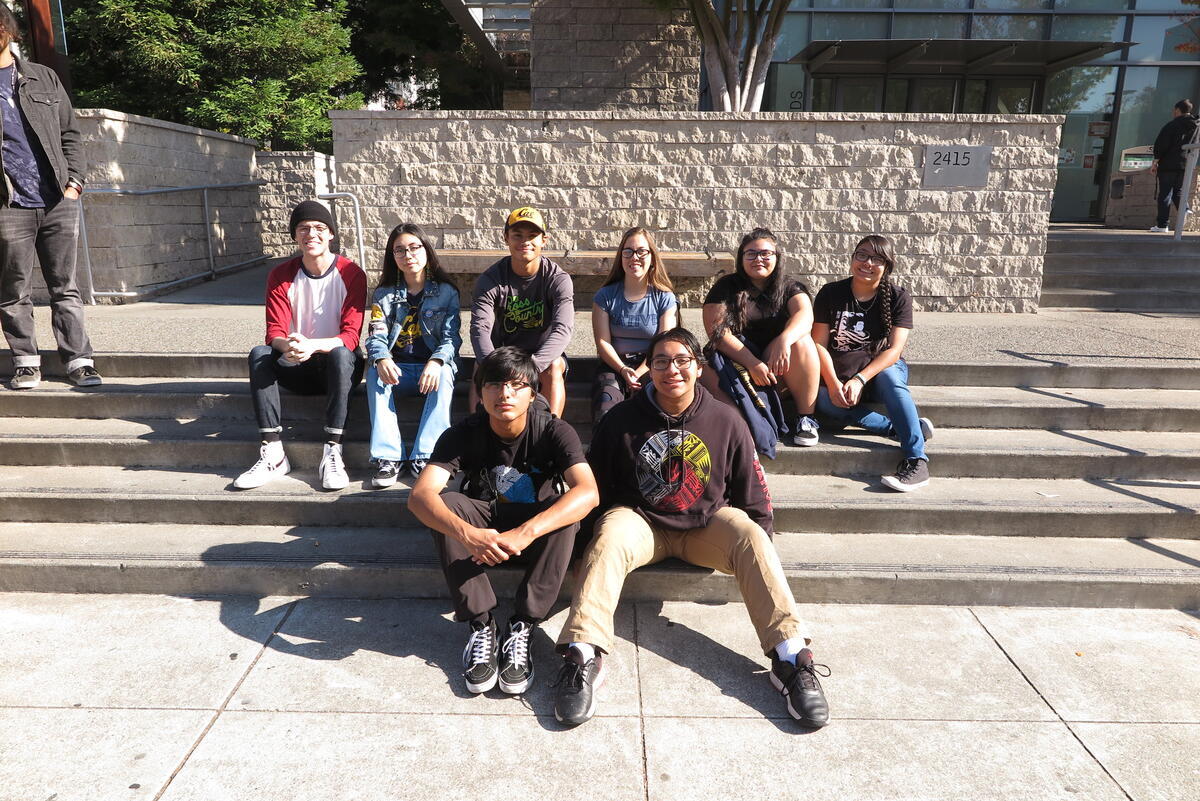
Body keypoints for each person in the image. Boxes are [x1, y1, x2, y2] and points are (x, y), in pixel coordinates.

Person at [553, 327, 830, 729]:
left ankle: (790, 658)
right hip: (641, 521)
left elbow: (752, 490)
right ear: (650, 368)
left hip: (705, 525)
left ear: (699, 367)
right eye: (661, 361)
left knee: (750, 534)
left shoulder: (726, 419)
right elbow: (598, 486)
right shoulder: (621, 420)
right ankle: (582, 655)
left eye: (682, 360)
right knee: (610, 534)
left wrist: (761, 552)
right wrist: (582, 548)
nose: (672, 370)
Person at [408, 346, 599, 696]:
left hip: (534, 532)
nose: (504, 394)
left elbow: (588, 492)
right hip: (484, 530)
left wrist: (526, 533)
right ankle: (482, 625)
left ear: (532, 393)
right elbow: (419, 496)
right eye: (494, 385)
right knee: (447, 502)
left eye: (516, 385)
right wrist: (469, 535)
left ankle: (523, 623)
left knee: (567, 512)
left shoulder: (555, 430)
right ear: (480, 393)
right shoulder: (463, 432)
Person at [234, 200, 366, 491]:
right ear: (295, 235)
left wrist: (313, 346)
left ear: (331, 234)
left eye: (319, 228)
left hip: (337, 368)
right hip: (297, 363)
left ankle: (333, 450)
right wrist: (290, 346)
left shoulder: (351, 273)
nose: (311, 234)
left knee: (344, 354)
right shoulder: (281, 275)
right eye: (303, 228)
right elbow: (274, 332)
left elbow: (351, 335)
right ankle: (273, 453)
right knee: (260, 354)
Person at [0, 8, 99, 390]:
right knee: (13, 288)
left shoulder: (43, 77)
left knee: (65, 285)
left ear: (7, 31)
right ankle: (26, 362)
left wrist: (74, 184)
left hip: (57, 198)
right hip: (8, 204)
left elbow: (70, 134)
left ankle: (79, 360)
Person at [812, 235, 933, 492]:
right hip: (840, 373)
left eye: (877, 259)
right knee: (821, 399)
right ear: (852, 258)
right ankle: (899, 429)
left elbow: (894, 350)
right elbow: (818, 344)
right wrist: (834, 384)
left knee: (891, 377)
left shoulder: (899, 297)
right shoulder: (831, 293)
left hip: (878, 371)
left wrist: (860, 379)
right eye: (862, 255)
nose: (867, 263)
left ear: (887, 266)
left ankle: (917, 459)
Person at [700, 227, 821, 448]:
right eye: (751, 254)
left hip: (778, 366)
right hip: (738, 361)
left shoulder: (789, 287)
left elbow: (805, 315)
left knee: (802, 340)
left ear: (777, 257)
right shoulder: (726, 287)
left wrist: (784, 340)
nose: (759, 259)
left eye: (766, 253)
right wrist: (752, 363)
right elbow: (717, 332)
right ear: (742, 258)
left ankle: (806, 418)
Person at [364, 223, 460, 488]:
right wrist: (382, 358)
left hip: (430, 372)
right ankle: (389, 457)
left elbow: (452, 339)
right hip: (399, 371)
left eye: (414, 247)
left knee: (446, 371)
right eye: (400, 250)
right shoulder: (383, 295)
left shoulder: (446, 292)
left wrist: (436, 360)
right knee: (374, 371)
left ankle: (426, 455)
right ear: (392, 257)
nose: (408, 255)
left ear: (426, 250)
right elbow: (376, 335)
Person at [469, 207, 573, 417]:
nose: (525, 241)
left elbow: (563, 330)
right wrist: (494, 366)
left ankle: (550, 430)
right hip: (504, 351)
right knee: (480, 364)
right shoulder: (490, 280)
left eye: (532, 236)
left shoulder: (558, 279)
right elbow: (480, 328)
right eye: (517, 235)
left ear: (544, 240)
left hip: (541, 353)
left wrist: (531, 366)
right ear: (506, 238)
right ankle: (477, 428)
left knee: (554, 365)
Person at [591, 226, 677, 424]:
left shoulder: (664, 297)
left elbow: (665, 344)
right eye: (628, 251)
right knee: (606, 408)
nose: (634, 257)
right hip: (615, 365)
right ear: (621, 257)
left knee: (651, 410)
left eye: (641, 251)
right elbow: (603, 343)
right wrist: (623, 370)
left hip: (653, 365)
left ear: (652, 257)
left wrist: (638, 373)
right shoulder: (604, 296)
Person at [1150, 98, 1199, 233]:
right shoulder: (1196, 126)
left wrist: (1156, 160)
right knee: (1179, 191)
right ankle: (1185, 209)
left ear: (1177, 110)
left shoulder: (1172, 125)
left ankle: (1162, 225)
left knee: (1165, 194)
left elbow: (1162, 144)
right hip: (1185, 164)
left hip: (1168, 164)